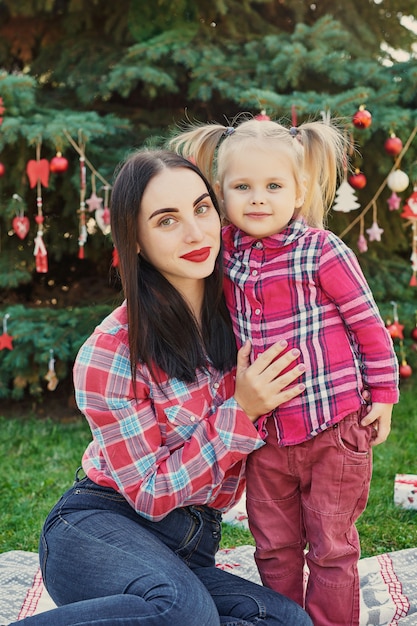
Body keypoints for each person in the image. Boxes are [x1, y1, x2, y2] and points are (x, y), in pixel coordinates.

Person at [10, 149, 312, 626]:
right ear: (136, 241)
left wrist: (379, 395)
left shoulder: (246, 317)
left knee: (284, 620)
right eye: (166, 220)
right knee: (183, 612)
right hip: (97, 529)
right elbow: (149, 494)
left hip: (190, 549)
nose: (195, 232)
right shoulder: (111, 352)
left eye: (201, 208)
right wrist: (242, 411)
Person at [169, 118, 400, 626]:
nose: (257, 199)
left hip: (333, 428)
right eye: (242, 187)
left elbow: (367, 322)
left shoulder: (320, 250)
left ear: (298, 193)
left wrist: (382, 393)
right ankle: (283, 620)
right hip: (267, 437)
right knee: (273, 546)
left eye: (273, 186)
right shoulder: (223, 252)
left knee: (331, 547)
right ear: (221, 195)